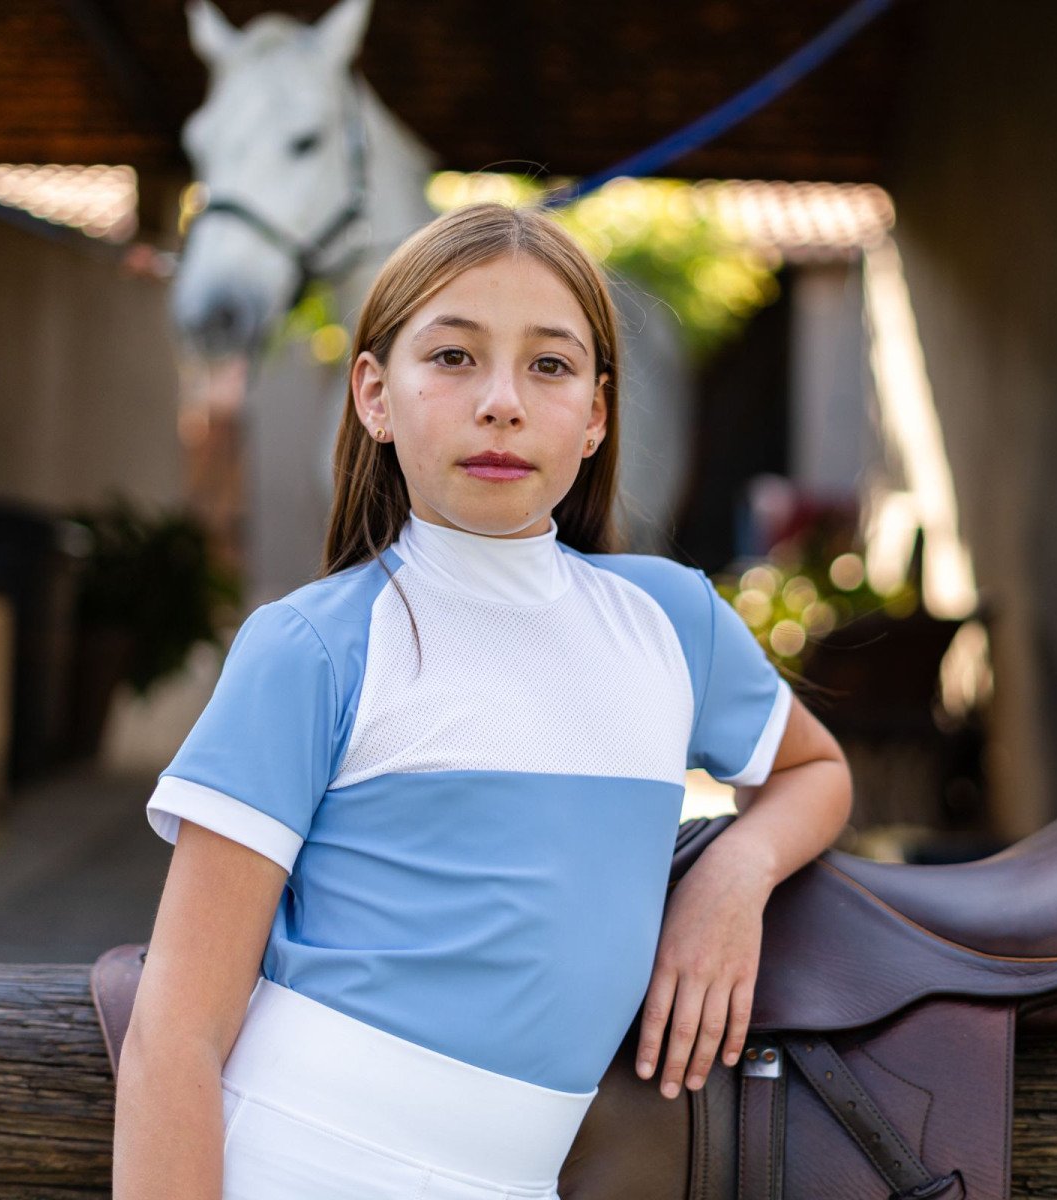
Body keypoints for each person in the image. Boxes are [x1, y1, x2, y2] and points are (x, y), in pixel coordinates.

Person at [112, 201, 853, 1200]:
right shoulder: (313, 648)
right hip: (297, 1162)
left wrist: (735, 873)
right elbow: (176, 1035)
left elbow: (815, 771)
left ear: (597, 411)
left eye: (549, 365)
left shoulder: (672, 622)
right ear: (374, 394)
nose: (501, 401)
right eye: (453, 357)